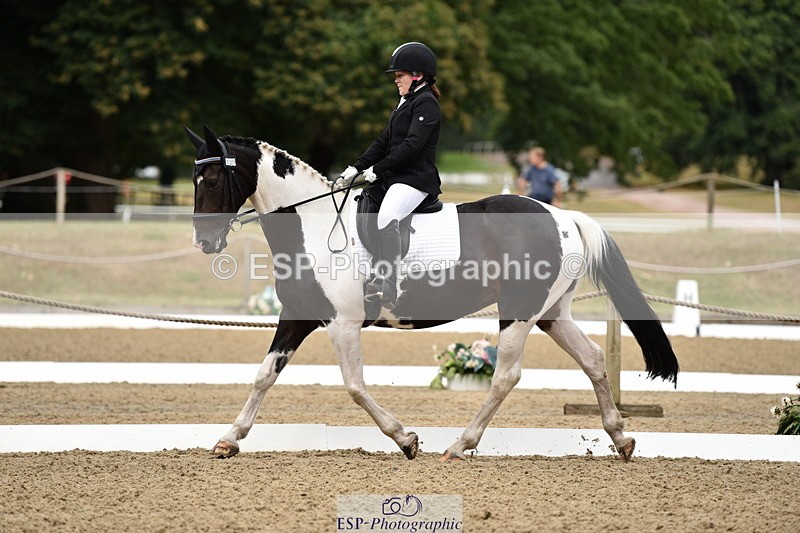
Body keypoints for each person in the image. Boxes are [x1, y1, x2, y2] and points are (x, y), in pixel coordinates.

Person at [336, 42, 443, 310]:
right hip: (395, 177)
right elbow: (385, 140)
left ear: (417, 75)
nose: (396, 80)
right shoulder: (406, 102)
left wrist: (377, 170)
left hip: (416, 179)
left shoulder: (426, 104)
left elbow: (411, 146)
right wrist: (357, 166)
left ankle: (389, 282)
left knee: (387, 216)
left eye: (400, 75)